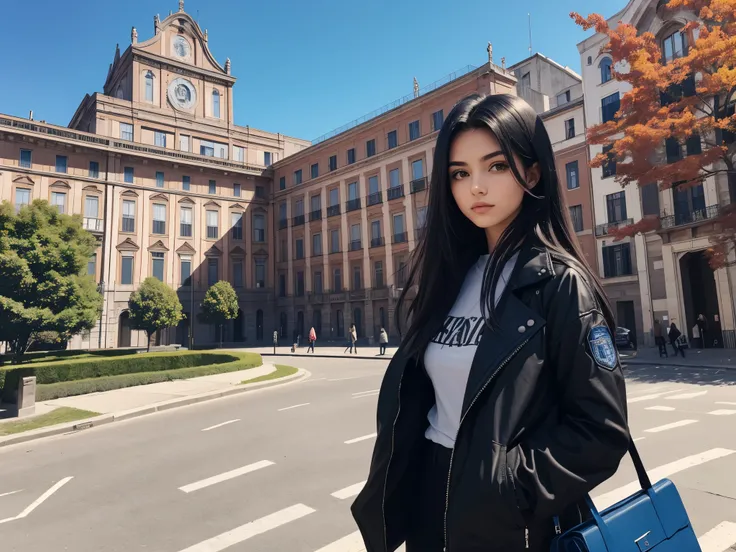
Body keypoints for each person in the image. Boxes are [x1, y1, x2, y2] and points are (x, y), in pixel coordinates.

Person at [351, 94, 629, 552]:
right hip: (430, 498)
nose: (475, 187)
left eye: (496, 166)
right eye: (459, 173)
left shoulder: (558, 284)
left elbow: (601, 430)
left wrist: (505, 487)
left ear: (533, 172)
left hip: (508, 518)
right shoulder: (453, 277)